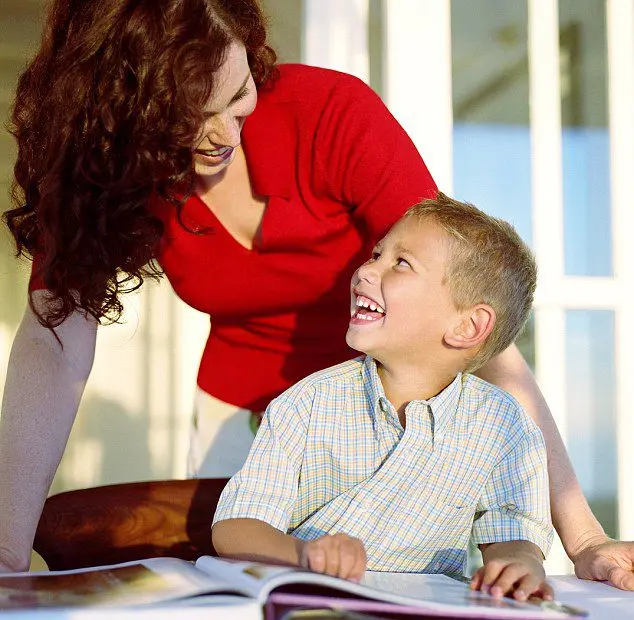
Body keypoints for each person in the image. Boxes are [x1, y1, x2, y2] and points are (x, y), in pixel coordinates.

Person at [0, 0, 632, 588]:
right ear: (125, 120)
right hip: (238, 412)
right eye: (192, 118)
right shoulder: (108, 170)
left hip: (384, 406)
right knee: (239, 587)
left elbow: (470, 325)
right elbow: (53, 347)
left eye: (238, 94)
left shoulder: (332, 112)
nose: (225, 134)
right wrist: (4, 549)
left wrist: (584, 540)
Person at [212, 195, 554, 601]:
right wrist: (306, 555)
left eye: (401, 263)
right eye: (376, 254)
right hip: (308, 600)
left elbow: (513, 533)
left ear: (467, 326)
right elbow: (234, 528)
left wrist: (520, 563)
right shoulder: (306, 404)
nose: (365, 270)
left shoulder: (502, 425)